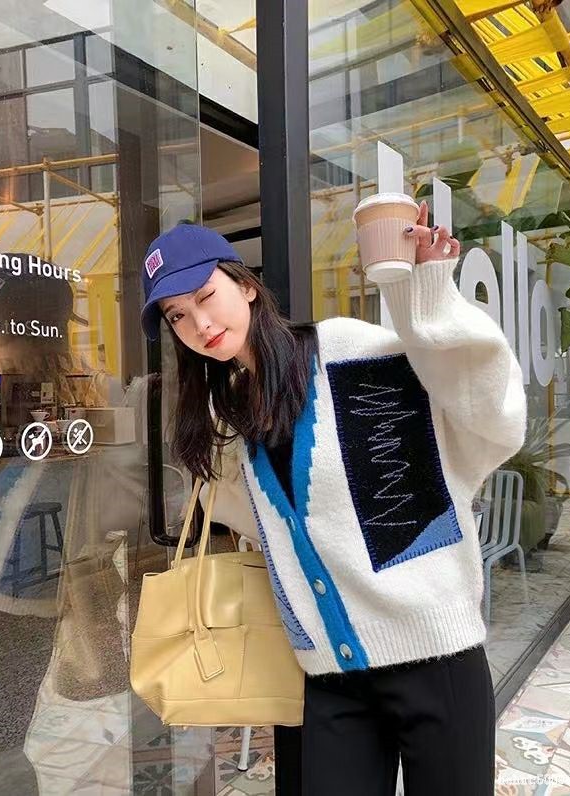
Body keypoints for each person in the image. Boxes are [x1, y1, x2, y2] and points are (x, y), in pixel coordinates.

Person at [140, 210, 526, 796]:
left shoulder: (349, 351)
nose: (200, 324)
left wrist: (427, 299)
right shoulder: (230, 410)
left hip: (435, 655)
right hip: (328, 675)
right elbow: (275, 528)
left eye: (205, 296)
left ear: (246, 285)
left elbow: (489, 419)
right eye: (177, 316)